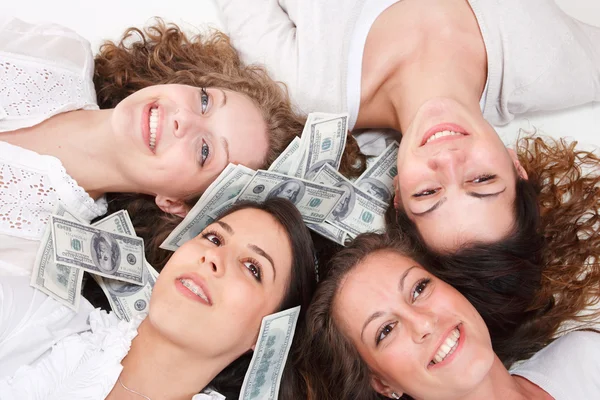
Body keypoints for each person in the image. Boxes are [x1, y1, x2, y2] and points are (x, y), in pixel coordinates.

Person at [213, 0, 600, 253]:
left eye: (429, 192)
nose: (448, 160)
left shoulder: (305, 87)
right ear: (516, 168)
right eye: (482, 180)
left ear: (398, 192)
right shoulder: (555, 64)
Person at [0, 17, 366, 275]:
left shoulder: (30, 254)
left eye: (205, 150)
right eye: (205, 101)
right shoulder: (57, 52)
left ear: (175, 204)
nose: (183, 120)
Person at [0, 198, 317, 400]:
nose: (213, 258)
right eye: (213, 238)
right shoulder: (44, 315)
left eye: (252, 268)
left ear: (268, 335)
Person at [298, 232, 600, 400]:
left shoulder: (585, 358)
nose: (424, 323)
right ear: (382, 383)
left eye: (419, 289)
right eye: (386, 330)